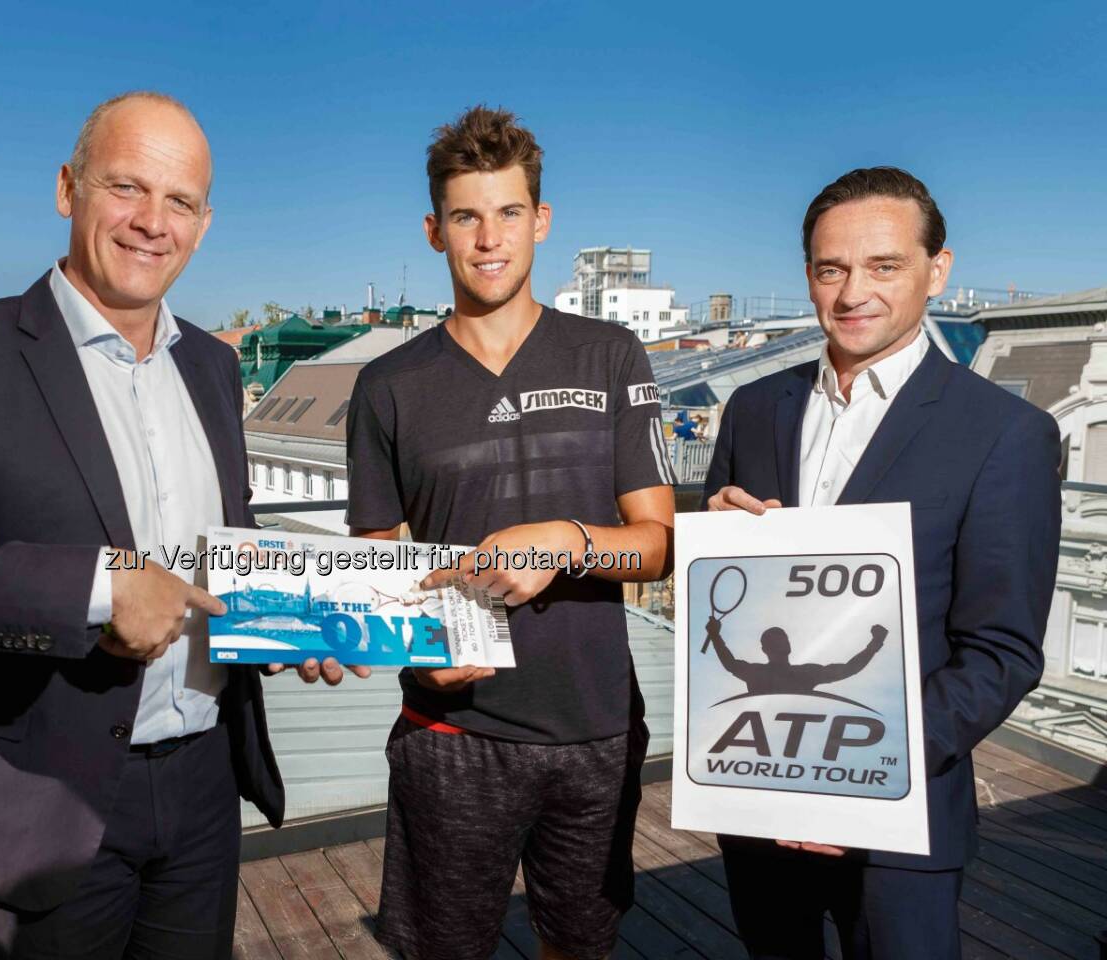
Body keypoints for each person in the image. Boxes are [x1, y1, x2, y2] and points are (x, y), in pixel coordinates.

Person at [0, 91, 347, 959]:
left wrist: (281, 623)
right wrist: (98, 589)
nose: (151, 223)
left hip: (206, 782)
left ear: (205, 225)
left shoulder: (213, 366)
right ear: (69, 189)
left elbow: (221, 554)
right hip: (48, 795)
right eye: (127, 187)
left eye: (179, 201)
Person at [702, 166, 1061, 959]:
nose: (853, 290)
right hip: (759, 802)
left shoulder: (1006, 434)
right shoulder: (755, 408)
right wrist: (715, 536)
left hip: (901, 819)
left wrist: (843, 782)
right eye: (832, 269)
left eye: (884, 265)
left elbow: (1001, 653)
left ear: (938, 269)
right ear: (809, 276)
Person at [346, 106, 676, 960]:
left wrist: (565, 540)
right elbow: (376, 559)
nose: (488, 238)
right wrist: (411, 647)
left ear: (543, 221)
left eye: (508, 212)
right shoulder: (386, 385)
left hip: (595, 726)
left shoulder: (611, 356)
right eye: (465, 216)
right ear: (434, 230)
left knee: (582, 945)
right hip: (452, 730)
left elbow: (658, 543)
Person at [705, 619, 887, 695]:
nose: (781, 644)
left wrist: (874, 644)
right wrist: (715, 636)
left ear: (789, 645)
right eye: (775, 642)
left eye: (783, 640)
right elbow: (731, 664)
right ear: (765, 649)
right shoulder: (756, 672)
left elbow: (848, 669)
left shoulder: (807, 672)